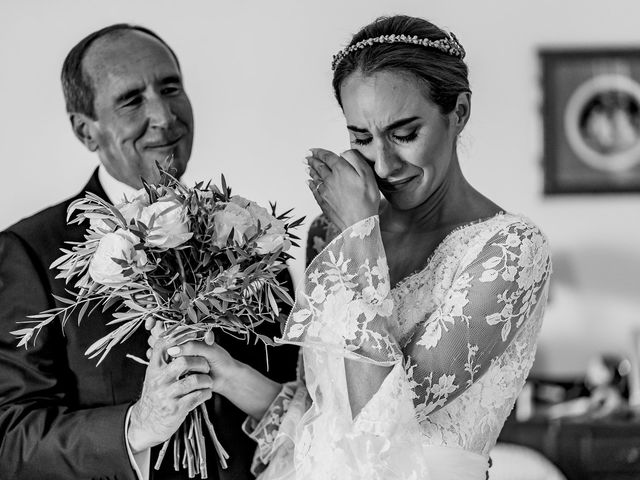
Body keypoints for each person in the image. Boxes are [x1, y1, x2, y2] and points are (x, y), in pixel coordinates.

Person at [153, 14, 552, 480]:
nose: (382, 164)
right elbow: (324, 421)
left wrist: (358, 234)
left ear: (459, 112)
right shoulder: (328, 232)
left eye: (405, 134)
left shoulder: (510, 249)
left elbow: (382, 422)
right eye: (361, 138)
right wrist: (226, 374)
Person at [0, 24, 298, 480]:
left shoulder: (252, 236)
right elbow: (12, 438)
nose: (163, 115)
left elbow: (297, 398)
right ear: (86, 131)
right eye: (132, 100)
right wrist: (136, 426)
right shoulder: (29, 252)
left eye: (170, 87)